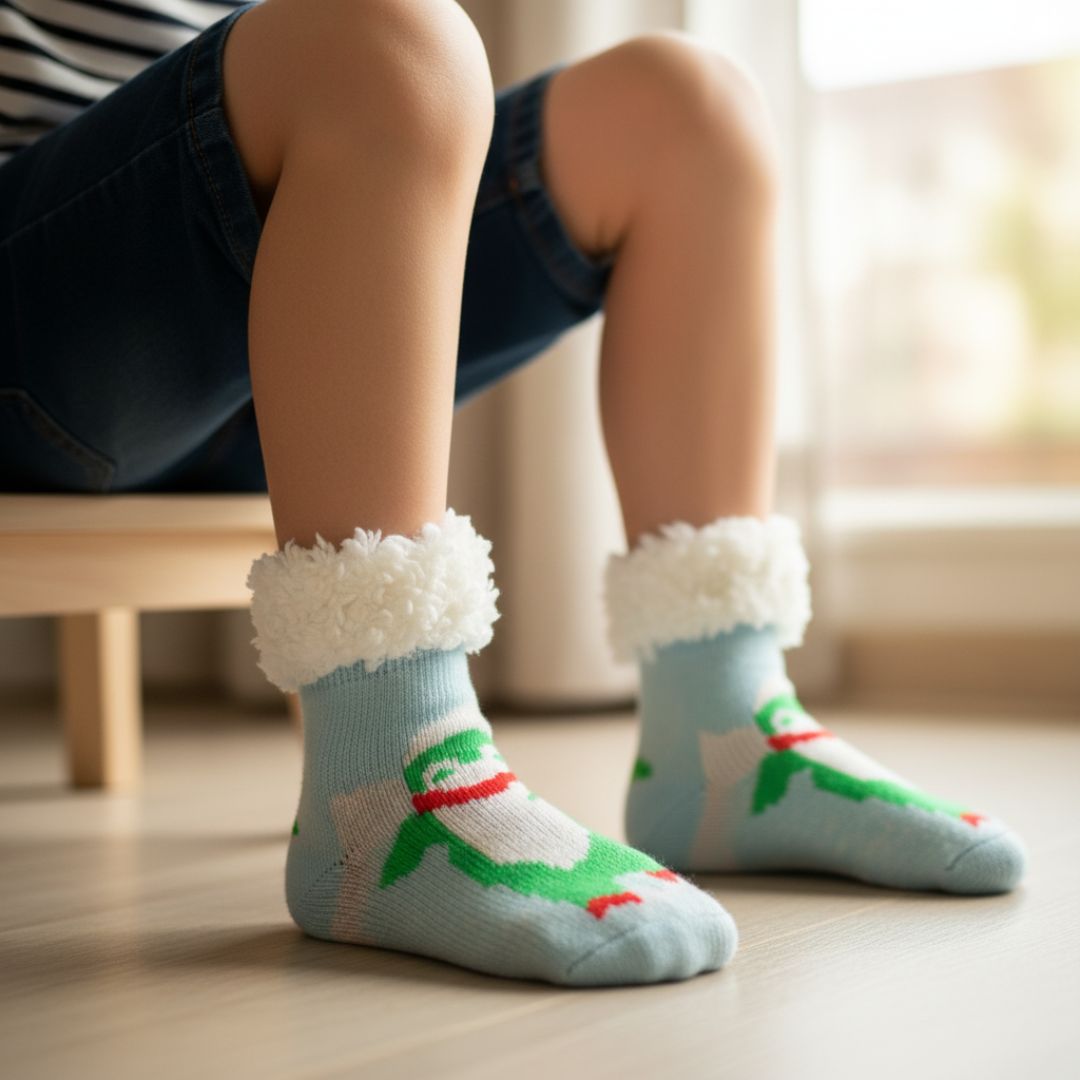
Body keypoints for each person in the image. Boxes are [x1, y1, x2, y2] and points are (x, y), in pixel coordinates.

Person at [0, 0, 1026, 988]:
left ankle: (724, 742)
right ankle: (383, 788)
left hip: (261, 241)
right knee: (389, 46)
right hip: (40, 279)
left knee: (689, 105)